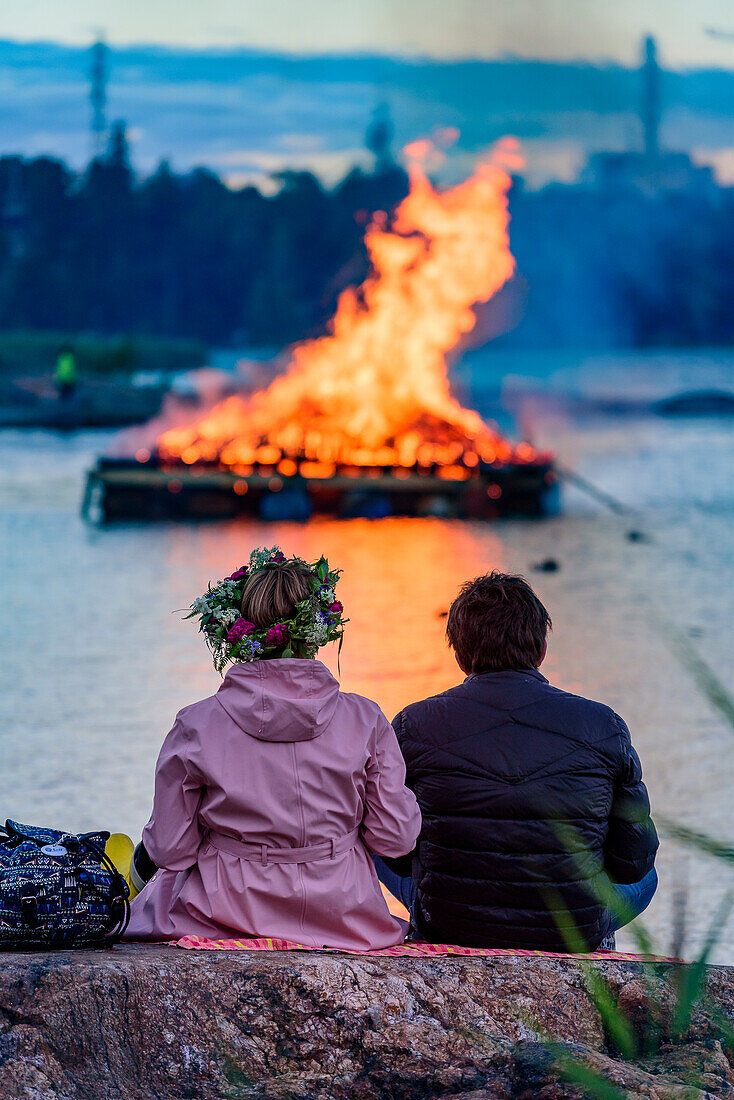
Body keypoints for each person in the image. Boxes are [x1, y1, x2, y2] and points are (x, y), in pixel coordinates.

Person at [125, 546, 421, 949]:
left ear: (238, 630)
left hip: (222, 913)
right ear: (318, 629)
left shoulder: (196, 724)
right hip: (344, 915)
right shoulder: (365, 719)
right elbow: (396, 840)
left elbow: (171, 850)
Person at [375, 572, 658, 951]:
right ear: (541, 650)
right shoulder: (604, 724)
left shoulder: (414, 723)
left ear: (459, 655)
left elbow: (395, 852)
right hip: (571, 929)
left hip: (452, 924)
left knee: (373, 843)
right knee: (648, 878)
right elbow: (632, 863)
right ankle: (599, 948)